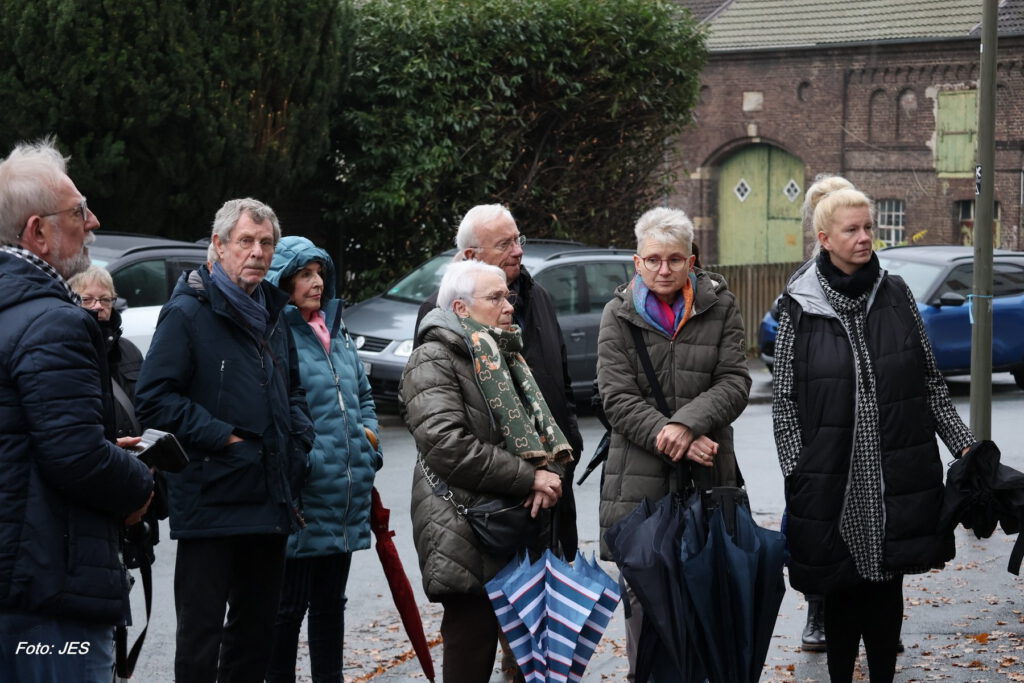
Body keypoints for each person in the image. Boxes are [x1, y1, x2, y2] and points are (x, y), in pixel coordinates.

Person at [772, 175, 975, 683]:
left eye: (868, 228)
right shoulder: (799, 303)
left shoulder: (896, 292)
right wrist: (798, 467)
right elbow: (782, 400)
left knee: (886, 592)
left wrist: (965, 446)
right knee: (841, 592)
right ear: (824, 239)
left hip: (892, 470)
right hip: (830, 477)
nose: (865, 238)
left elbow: (929, 380)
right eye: (852, 230)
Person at [134, 198, 315, 682]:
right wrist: (227, 439)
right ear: (218, 246)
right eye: (245, 241)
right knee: (201, 642)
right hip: (211, 500)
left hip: (269, 498)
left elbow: (293, 389)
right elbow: (153, 400)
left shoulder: (274, 314)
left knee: (255, 639)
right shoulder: (187, 312)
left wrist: (299, 439)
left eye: (266, 243)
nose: (257, 252)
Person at [0, 138, 154, 682]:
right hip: (50, 601)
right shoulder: (54, 321)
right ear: (38, 232)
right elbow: (75, 458)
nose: (93, 221)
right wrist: (138, 485)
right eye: (78, 212)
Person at [596, 207, 750, 680]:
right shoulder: (616, 314)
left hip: (708, 483)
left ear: (693, 261)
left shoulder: (719, 306)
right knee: (647, 619)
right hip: (636, 492)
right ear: (636, 262)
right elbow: (616, 399)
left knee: (708, 610)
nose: (665, 269)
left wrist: (686, 425)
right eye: (654, 259)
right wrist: (680, 440)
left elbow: (734, 381)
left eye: (676, 259)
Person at [402, 259, 573, 683]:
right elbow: (447, 445)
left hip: (513, 519)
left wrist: (547, 475)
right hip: (463, 526)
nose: (509, 306)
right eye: (495, 298)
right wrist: (528, 478)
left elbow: (543, 425)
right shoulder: (433, 358)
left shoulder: (502, 351)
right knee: (471, 647)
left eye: (508, 296)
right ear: (461, 309)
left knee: (528, 656)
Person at [415, 204, 584, 561]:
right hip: (488, 509)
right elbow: (446, 434)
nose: (519, 250)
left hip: (549, 493)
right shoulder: (443, 314)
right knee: (486, 616)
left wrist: (558, 466)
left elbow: (558, 392)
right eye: (505, 244)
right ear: (472, 256)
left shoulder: (538, 298)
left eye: (517, 239)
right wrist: (526, 478)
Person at [265, 236, 382, 683]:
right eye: (304, 274)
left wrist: (368, 442)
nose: (316, 283)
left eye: (319, 273)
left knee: (331, 605)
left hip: (344, 495)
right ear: (284, 282)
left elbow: (364, 396)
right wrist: (305, 461)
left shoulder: (337, 331)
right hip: (305, 494)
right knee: (288, 609)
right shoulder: (278, 335)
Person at [68, 266, 144, 437]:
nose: (98, 306)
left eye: (105, 300)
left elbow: (149, 405)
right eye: (87, 299)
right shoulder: (65, 351)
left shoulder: (129, 350)